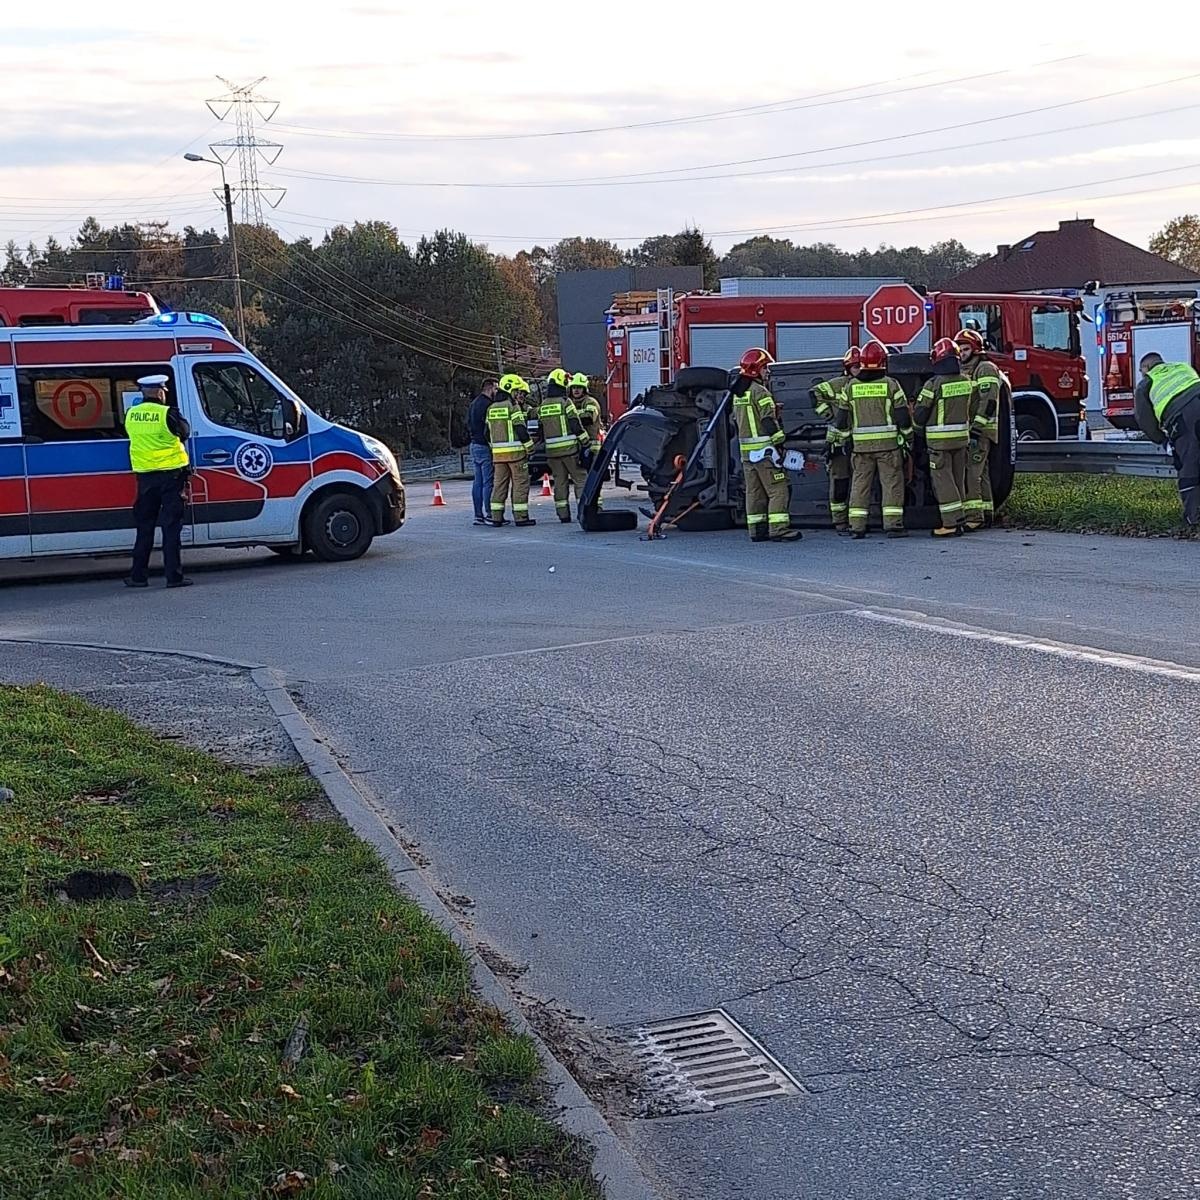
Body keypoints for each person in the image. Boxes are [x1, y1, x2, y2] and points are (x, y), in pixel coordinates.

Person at [836, 341, 911, 539]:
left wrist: (845, 440)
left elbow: (841, 420)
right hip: (888, 447)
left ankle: (856, 526)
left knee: (859, 486)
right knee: (891, 484)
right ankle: (893, 526)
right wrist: (908, 437)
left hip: (860, 448)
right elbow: (903, 416)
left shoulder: (850, 386)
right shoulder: (891, 385)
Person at [123, 374, 193, 589]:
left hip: (145, 479)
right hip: (171, 478)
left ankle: (138, 576)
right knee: (171, 528)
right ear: (161, 392)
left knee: (144, 528)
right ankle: (174, 577)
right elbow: (185, 432)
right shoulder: (168, 413)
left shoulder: (131, 414)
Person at [733, 348, 801, 543]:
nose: (768, 371)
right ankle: (778, 529)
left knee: (754, 492)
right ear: (756, 370)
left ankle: (757, 530)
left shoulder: (740, 394)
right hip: (765, 452)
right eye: (765, 368)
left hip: (747, 454)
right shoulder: (760, 391)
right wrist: (780, 441)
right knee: (778, 489)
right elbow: (767, 420)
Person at [914, 338, 973, 538]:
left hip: (939, 442)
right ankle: (961, 519)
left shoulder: (933, 384)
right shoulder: (966, 380)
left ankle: (950, 523)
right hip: (961, 440)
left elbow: (920, 413)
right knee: (958, 480)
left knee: (943, 481)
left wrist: (916, 429)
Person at [1135, 353, 1200, 524]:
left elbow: (1145, 421)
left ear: (1146, 368)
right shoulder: (1183, 367)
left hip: (1184, 417)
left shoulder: (1146, 383)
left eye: (1141, 371)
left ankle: (1194, 517)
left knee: (1189, 465)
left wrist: (1163, 441)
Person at [956, 327, 1002, 530]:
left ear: (975, 349)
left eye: (966, 349)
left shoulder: (985, 368)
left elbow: (989, 401)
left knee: (971, 473)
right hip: (974, 430)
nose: (962, 353)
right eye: (959, 349)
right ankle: (987, 512)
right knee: (981, 473)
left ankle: (974, 517)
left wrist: (977, 428)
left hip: (980, 431)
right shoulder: (966, 370)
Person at [811, 346, 860, 534]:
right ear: (847, 368)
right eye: (855, 367)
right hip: (839, 444)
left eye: (861, 366)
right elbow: (814, 393)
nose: (859, 370)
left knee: (859, 484)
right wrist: (828, 415)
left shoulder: (867, 384)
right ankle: (840, 521)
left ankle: (856, 521)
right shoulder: (837, 384)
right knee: (840, 483)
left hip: (860, 444)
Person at [536, 367, 589, 523]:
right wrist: (585, 440)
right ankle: (584, 512)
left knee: (559, 482)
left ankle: (563, 515)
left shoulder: (543, 405)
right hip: (569, 450)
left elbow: (541, 427)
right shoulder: (566, 402)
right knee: (580, 480)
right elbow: (575, 423)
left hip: (552, 453)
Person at [487, 375, 536, 527]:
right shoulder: (512, 407)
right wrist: (530, 447)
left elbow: (486, 433)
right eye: (516, 391)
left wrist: (494, 448)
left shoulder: (491, 408)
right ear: (510, 390)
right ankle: (521, 517)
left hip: (498, 457)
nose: (517, 394)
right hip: (516, 455)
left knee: (499, 486)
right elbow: (520, 429)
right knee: (520, 485)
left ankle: (496, 517)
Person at [467, 377, 497, 525]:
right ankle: (490, 514)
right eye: (496, 388)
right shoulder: (488, 405)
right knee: (488, 482)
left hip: (474, 445)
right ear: (490, 388)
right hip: (485, 446)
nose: (497, 392)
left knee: (477, 482)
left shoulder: (473, 403)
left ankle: (478, 515)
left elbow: (468, 423)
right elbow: (489, 428)